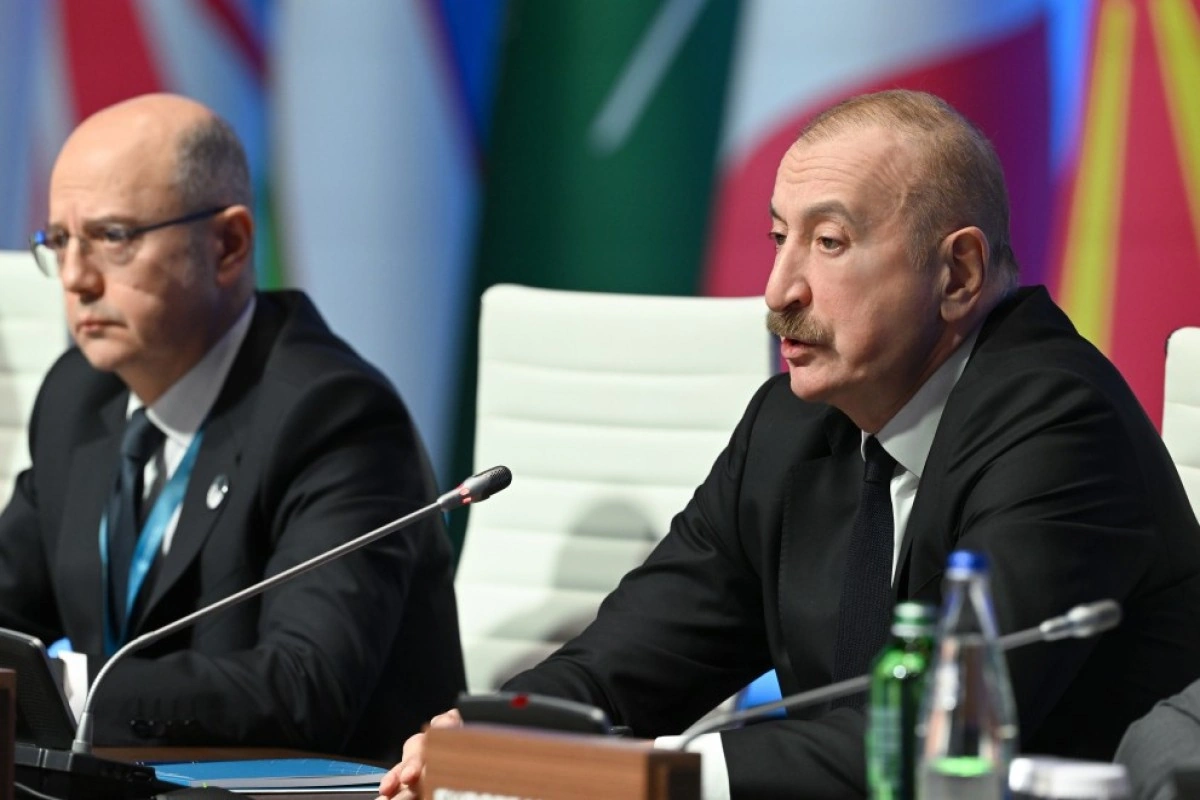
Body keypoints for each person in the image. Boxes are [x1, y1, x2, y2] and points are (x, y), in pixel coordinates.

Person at [376, 89, 1200, 799]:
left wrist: (665, 774)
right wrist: (492, 738)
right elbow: (633, 656)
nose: (778, 291)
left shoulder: (1058, 423)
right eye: (780, 240)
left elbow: (938, 732)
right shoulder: (791, 427)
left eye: (829, 243)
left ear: (957, 275)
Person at [0, 93, 464, 761]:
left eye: (113, 237)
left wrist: (72, 689)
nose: (76, 278)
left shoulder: (333, 415)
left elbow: (303, 690)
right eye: (60, 241)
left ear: (229, 244)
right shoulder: (79, 394)